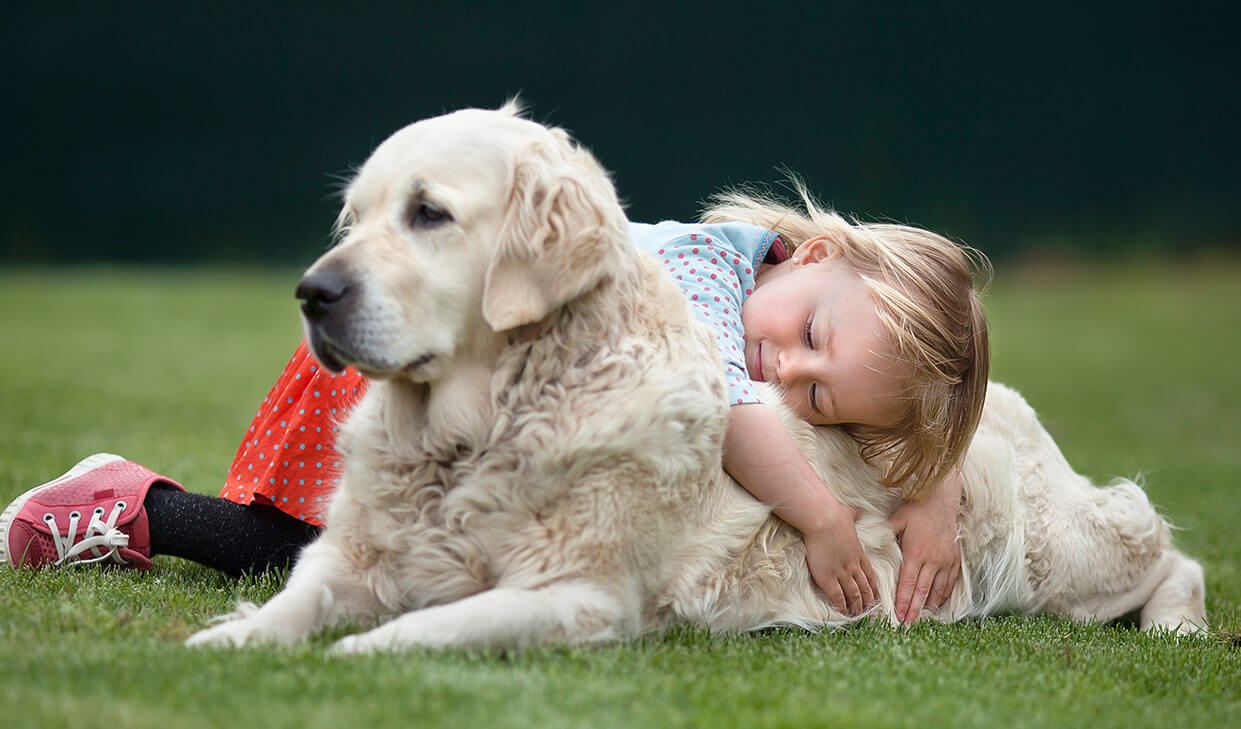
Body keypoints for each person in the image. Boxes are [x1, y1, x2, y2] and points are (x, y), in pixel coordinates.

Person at [1, 183, 989, 626]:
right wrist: (819, 521)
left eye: (818, 394)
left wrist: (933, 477)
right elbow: (734, 409)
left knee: (389, 569)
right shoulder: (697, 270)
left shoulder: (800, 304)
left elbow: (857, 393)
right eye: (805, 339)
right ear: (810, 256)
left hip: (491, 412)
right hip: (414, 371)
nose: (785, 372)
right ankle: (133, 507)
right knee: (323, 560)